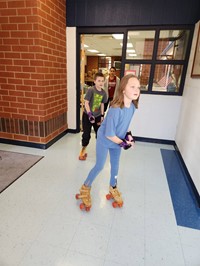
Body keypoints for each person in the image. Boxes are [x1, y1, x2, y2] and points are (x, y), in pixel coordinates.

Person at [76, 74, 141, 211]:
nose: (137, 90)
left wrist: (129, 136)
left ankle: (113, 186)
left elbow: (126, 125)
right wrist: (124, 144)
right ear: (123, 89)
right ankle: (85, 187)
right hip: (106, 140)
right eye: (132, 86)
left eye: (138, 87)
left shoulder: (132, 107)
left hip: (117, 140)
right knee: (99, 166)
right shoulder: (116, 109)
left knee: (115, 166)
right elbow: (109, 134)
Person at [79, 72, 107, 160]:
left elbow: (102, 104)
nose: (101, 83)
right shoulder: (91, 90)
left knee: (99, 134)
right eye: (99, 81)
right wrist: (90, 114)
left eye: (102, 81)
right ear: (94, 81)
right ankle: (83, 149)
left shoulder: (103, 93)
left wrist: (102, 115)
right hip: (87, 115)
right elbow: (86, 103)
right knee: (86, 134)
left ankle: (100, 151)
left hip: (98, 116)